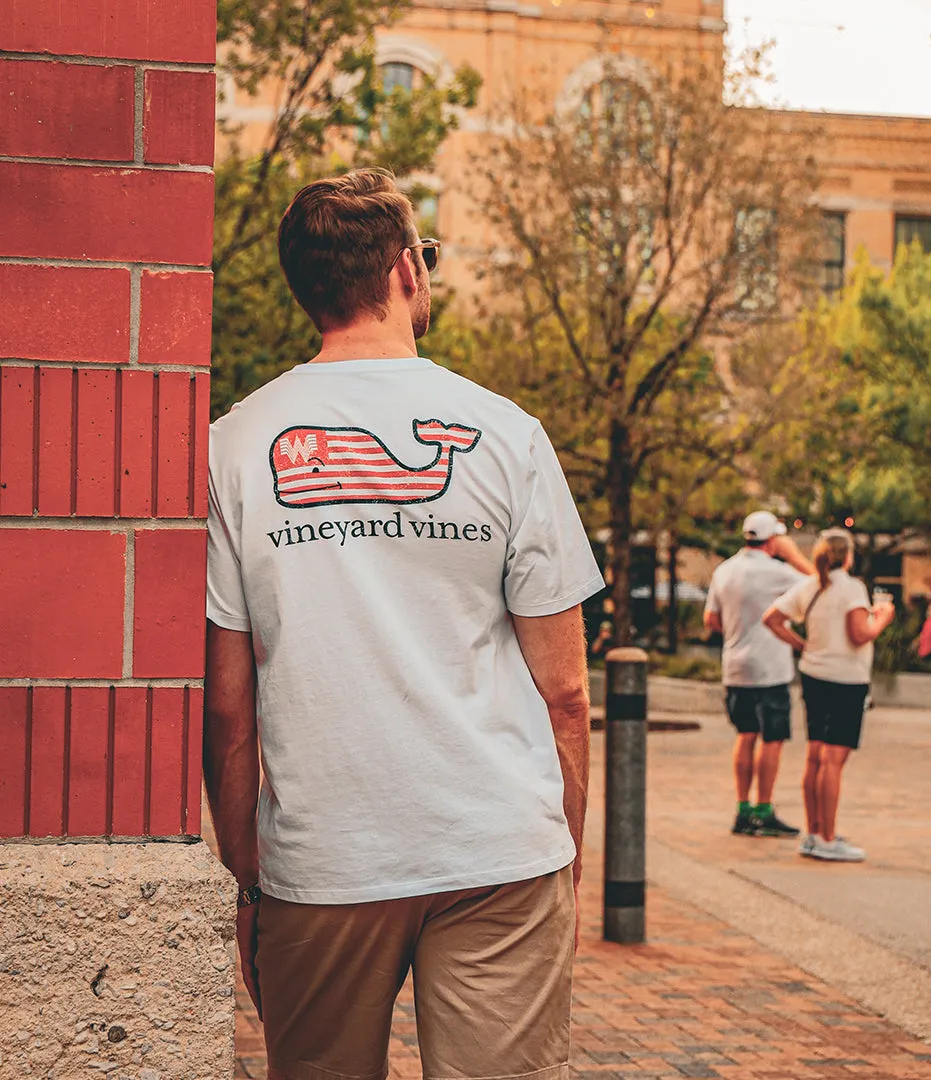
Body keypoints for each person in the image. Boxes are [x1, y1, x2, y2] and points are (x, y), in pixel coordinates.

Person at [202, 169, 605, 1080]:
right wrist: (561, 857)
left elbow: (228, 713)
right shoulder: (508, 436)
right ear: (404, 273)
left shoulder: (233, 447)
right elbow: (566, 694)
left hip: (325, 860)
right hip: (498, 850)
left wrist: (247, 881)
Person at [763, 529, 894, 863]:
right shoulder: (851, 588)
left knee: (815, 756)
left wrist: (802, 646)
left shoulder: (810, 586)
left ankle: (813, 833)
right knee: (834, 759)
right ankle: (827, 836)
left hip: (814, 675)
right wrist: (882, 618)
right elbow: (859, 634)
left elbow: (772, 619)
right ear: (848, 557)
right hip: (845, 680)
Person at [704, 510, 814, 837]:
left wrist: (738, 631)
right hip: (771, 667)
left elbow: (710, 619)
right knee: (772, 738)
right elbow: (818, 583)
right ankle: (764, 809)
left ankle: (742, 808)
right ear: (773, 540)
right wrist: (793, 554)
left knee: (745, 734)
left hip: (735, 666)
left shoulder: (724, 570)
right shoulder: (778, 572)